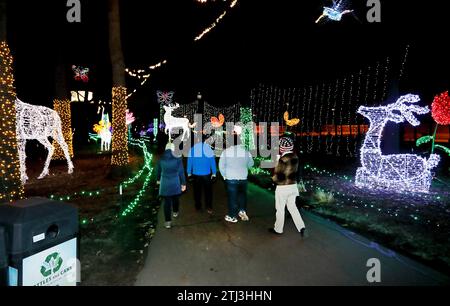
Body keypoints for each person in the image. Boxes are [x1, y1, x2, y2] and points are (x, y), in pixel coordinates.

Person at [269, 137, 306, 237]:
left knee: (280, 209)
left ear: (282, 148)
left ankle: (278, 229)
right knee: (292, 208)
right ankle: (301, 226)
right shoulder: (295, 157)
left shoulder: (282, 159)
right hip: (293, 186)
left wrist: (276, 163)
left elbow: (277, 176)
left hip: (282, 188)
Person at [219, 134, 254, 223]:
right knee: (242, 195)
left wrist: (225, 176)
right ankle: (242, 211)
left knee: (232, 198)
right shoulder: (246, 152)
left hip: (231, 179)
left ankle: (232, 216)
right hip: (243, 178)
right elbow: (251, 164)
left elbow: (221, 166)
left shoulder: (226, 152)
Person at [157, 142, 187, 229]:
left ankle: (167, 222)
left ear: (166, 148)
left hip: (165, 182)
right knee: (175, 198)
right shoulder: (178, 158)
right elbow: (181, 172)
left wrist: (158, 179)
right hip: (175, 182)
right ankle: (175, 211)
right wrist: (183, 183)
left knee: (166, 202)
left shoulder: (161, 158)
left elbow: (158, 170)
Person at [187, 139, 217, 214]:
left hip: (196, 174)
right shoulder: (208, 148)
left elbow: (189, 161)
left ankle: (198, 206)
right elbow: (212, 161)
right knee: (208, 192)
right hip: (206, 174)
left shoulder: (193, 149)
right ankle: (209, 207)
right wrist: (214, 173)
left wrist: (189, 173)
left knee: (197, 191)